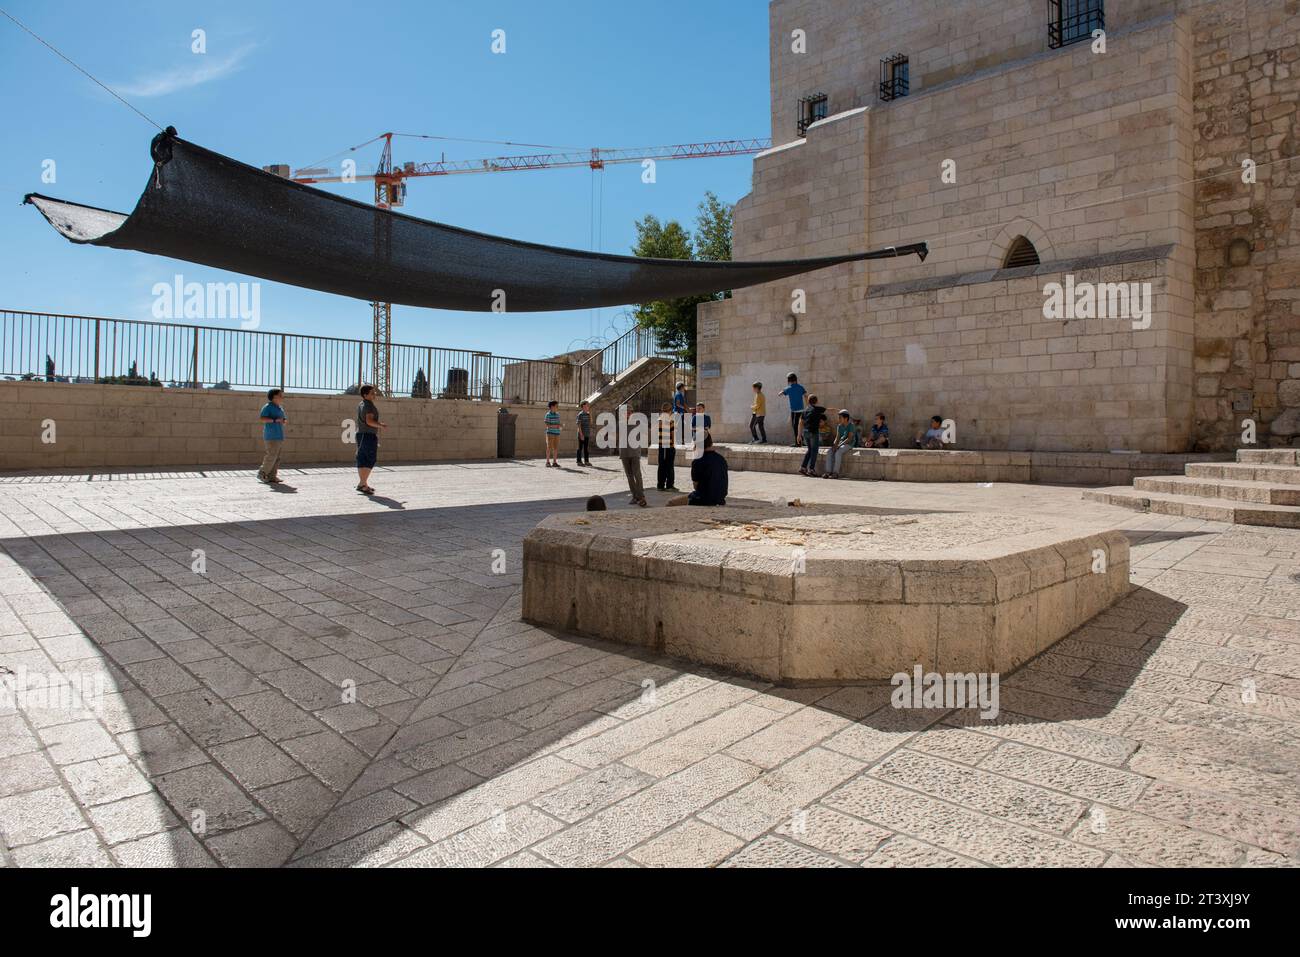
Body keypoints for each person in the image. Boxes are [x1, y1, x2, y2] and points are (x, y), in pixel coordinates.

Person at [668, 435, 728, 506]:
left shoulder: (697, 461)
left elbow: (696, 486)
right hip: (720, 499)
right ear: (711, 443)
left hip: (702, 499)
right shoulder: (721, 459)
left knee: (671, 502)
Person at [355, 385, 386, 495]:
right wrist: (380, 425)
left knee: (363, 459)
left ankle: (363, 484)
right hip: (367, 435)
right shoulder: (368, 406)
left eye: (374, 392)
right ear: (365, 395)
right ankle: (363, 484)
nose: (374, 394)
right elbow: (369, 421)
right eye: (372, 393)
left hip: (364, 435)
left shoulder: (363, 404)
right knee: (369, 459)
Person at [618, 406, 648, 508]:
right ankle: (635, 496)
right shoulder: (620, 423)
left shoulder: (638, 422)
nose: (627, 414)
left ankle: (641, 496)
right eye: (625, 413)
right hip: (624, 453)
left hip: (634, 452)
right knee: (629, 476)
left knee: (637, 475)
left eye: (629, 412)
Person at [258, 388, 286, 485]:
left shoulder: (280, 408)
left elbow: (282, 418)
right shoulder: (268, 407)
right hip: (271, 436)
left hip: (279, 435)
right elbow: (262, 418)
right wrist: (275, 420)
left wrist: (283, 420)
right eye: (280, 395)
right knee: (271, 455)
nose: (282, 397)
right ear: (274, 397)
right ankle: (262, 473)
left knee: (277, 457)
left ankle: (272, 476)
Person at [823, 410, 858, 479]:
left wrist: (839, 445)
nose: (839, 419)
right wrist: (834, 445)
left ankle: (835, 473)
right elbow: (837, 437)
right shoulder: (839, 426)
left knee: (838, 452)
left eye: (840, 417)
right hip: (841, 444)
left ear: (846, 418)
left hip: (849, 444)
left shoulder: (851, 426)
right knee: (829, 452)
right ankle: (828, 472)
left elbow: (849, 438)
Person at [798, 395, 828, 476]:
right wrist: (839, 411)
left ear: (808, 401)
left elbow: (800, 423)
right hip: (813, 432)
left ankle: (803, 467)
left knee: (810, 450)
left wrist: (799, 435)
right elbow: (829, 410)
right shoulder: (818, 409)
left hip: (806, 432)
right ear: (816, 401)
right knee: (814, 451)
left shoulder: (805, 411)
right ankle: (811, 469)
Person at [780, 373, 807, 446]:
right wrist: (807, 405)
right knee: (800, 426)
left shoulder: (789, 388)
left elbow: (781, 393)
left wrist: (781, 392)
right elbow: (805, 395)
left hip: (794, 411)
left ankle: (798, 443)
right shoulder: (801, 387)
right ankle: (801, 441)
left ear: (789, 380)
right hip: (801, 410)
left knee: (795, 426)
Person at [656, 402, 677, 491]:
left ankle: (660, 485)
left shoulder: (658, 420)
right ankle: (669, 485)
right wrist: (674, 444)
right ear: (670, 410)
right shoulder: (670, 421)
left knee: (661, 465)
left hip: (661, 445)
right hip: (669, 446)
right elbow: (672, 434)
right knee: (669, 466)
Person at [544, 400, 562, 468]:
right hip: (550, 433)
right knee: (549, 447)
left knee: (556, 448)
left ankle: (554, 462)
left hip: (557, 433)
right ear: (552, 406)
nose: (557, 407)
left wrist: (560, 426)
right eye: (556, 406)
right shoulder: (548, 415)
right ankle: (547, 462)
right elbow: (547, 425)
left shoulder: (558, 414)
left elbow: (558, 424)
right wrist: (556, 426)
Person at [575, 401, 593, 466]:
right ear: (582, 407)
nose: (587, 407)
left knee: (586, 448)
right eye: (585, 406)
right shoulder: (580, 414)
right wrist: (581, 434)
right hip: (581, 433)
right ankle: (579, 461)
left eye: (588, 406)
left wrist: (590, 414)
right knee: (580, 448)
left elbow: (591, 423)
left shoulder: (588, 414)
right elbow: (579, 425)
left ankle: (586, 461)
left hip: (587, 433)